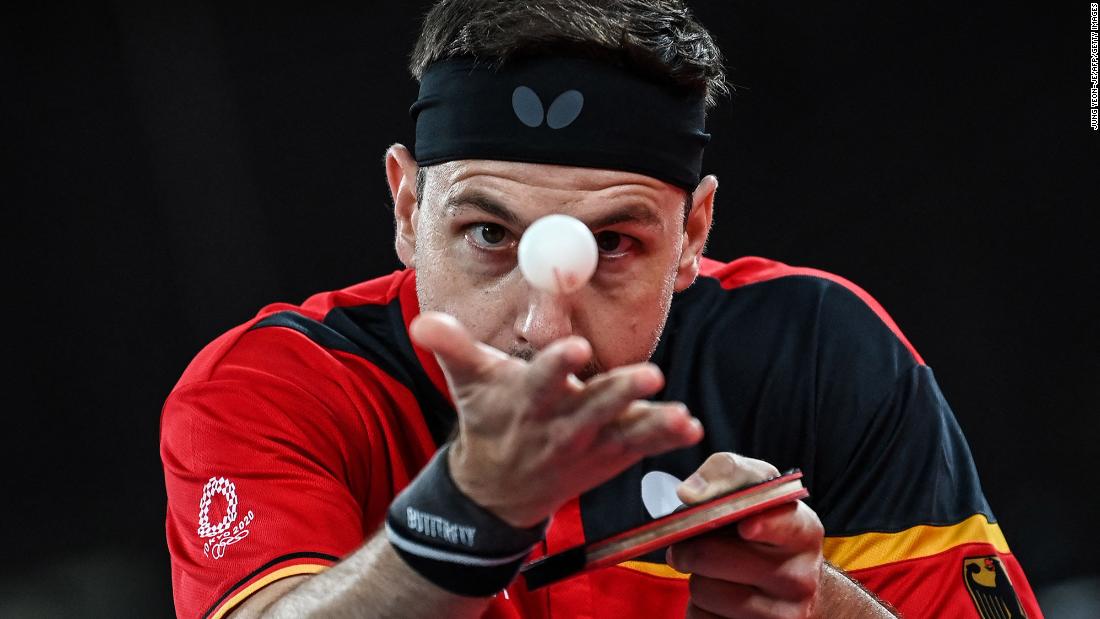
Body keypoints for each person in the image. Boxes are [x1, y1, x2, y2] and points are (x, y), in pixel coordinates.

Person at [160, 1, 1043, 617]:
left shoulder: (815, 352)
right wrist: (465, 516)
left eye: (613, 244)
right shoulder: (275, 387)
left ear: (694, 229)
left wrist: (817, 608)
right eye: (487, 234)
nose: (546, 331)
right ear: (405, 208)